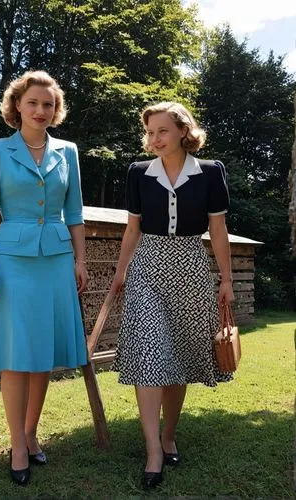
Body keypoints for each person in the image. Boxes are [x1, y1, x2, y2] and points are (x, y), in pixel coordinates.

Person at [111, 101, 234, 489]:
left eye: (162, 131)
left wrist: (227, 279)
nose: (154, 139)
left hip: (190, 266)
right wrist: (120, 272)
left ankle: (168, 435)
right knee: (150, 350)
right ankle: (152, 451)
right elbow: (133, 228)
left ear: (183, 130)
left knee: (177, 354)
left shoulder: (211, 173)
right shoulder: (137, 173)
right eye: (150, 132)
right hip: (148, 264)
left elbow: (217, 231)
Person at [0, 70, 88, 486]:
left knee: (42, 354)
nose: (42, 110)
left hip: (56, 260)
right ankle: (16, 446)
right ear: (17, 105)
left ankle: (31, 433)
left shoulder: (69, 151)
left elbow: (74, 212)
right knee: (16, 356)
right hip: (11, 262)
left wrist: (80, 259)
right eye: (34, 102)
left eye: (49, 104)